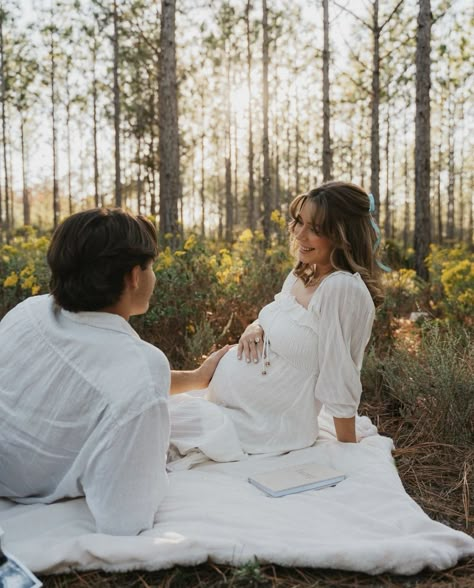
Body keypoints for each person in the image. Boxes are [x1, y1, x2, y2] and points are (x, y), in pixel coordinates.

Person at [0, 208, 227, 536]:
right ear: (133, 276)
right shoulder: (138, 366)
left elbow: (92, 377)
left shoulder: (29, 311)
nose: (154, 278)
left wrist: (195, 377)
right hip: (23, 486)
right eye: (151, 268)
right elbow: (126, 517)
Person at [168, 181, 383, 466]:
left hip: (266, 426)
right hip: (230, 405)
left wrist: (347, 447)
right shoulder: (303, 274)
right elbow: (278, 315)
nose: (299, 234)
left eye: (315, 229)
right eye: (298, 222)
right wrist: (254, 327)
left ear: (343, 236)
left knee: (149, 422)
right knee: (143, 415)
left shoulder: (341, 289)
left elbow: (340, 371)